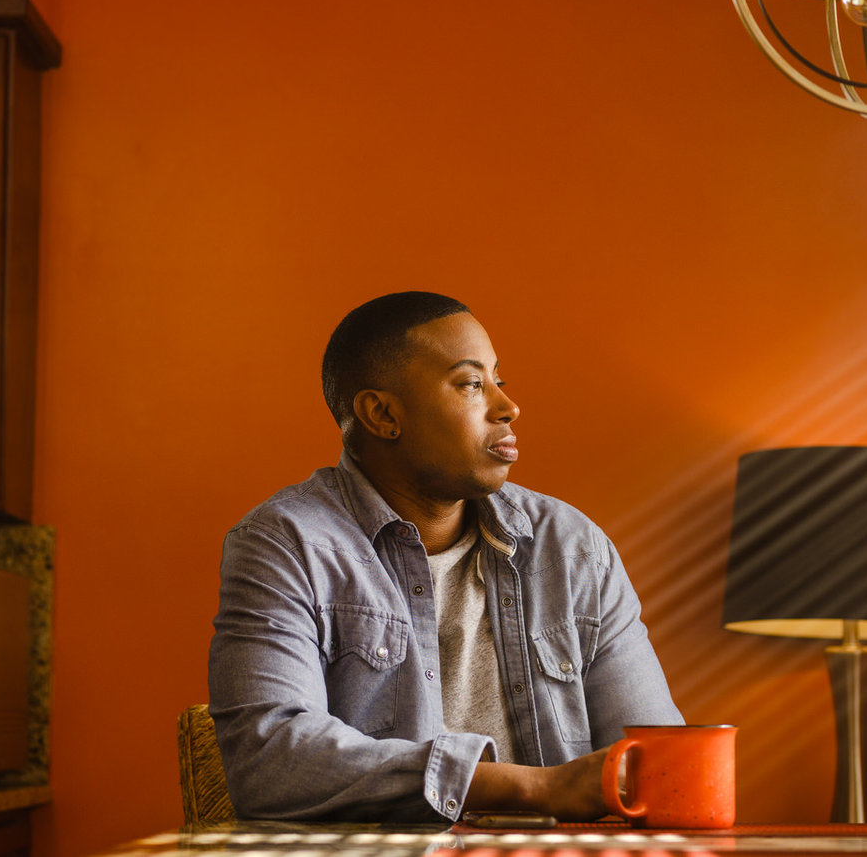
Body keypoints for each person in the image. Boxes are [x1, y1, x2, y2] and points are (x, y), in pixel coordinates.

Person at [208, 292, 682, 822]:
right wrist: (529, 788)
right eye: (471, 384)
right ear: (383, 414)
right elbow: (270, 761)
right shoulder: (286, 544)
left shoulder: (569, 546)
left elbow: (661, 766)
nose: (507, 407)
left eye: (499, 381)